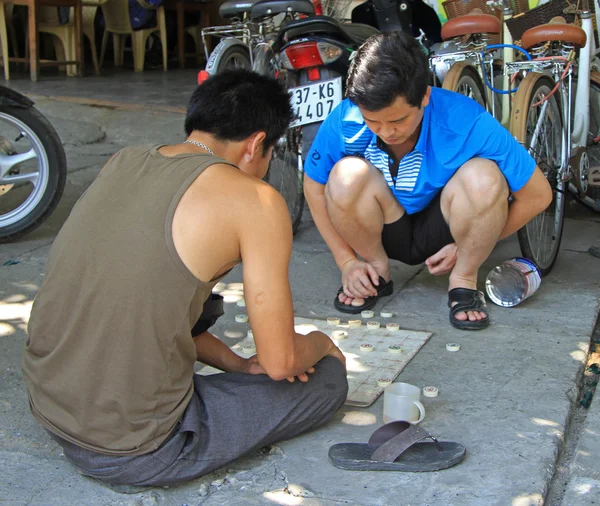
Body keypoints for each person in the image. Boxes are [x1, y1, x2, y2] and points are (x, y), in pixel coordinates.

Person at [21, 69, 348, 487]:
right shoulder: (257, 200)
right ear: (255, 145)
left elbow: (143, 301)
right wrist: (324, 345)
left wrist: (236, 365)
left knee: (184, 294)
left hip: (49, 402)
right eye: (270, 154)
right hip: (130, 448)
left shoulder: (123, 161)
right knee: (326, 383)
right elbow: (280, 362)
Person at [303, 31, 553, 330]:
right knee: (344, 175)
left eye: (397, 120)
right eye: (373, 121)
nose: (386, 132)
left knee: (484, 177)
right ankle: (375, 270)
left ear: (424, 96)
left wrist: (471, 246)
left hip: (444, 229)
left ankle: (463, 279)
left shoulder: (465, 119)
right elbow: (314, 187)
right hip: (383, 225)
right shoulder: (345, 119)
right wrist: (347, 261)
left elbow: (538, 195)